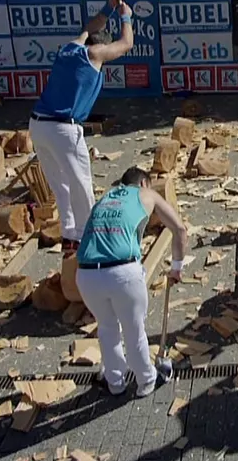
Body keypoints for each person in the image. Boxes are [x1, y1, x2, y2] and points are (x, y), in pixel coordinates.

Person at [30, 0, 133, 251]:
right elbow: (126, 44)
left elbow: (89, 26)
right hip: (63, 128)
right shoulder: (95, 54)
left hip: (38, 125)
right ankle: (89, 241)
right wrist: (126, 17)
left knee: (61, 186)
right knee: (81, 185)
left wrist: (110, 6)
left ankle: (69, 236)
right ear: (99, 45)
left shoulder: (70, 48)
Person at [75, 166, 188, 397]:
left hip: (86, 274)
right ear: (144, 183)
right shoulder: (146, 194)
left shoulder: (105, 198)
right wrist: (176, 268)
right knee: (134, 330)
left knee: (107, 328)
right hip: (122, 272)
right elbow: (179, 228)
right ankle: (146, 381)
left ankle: (115, 382)